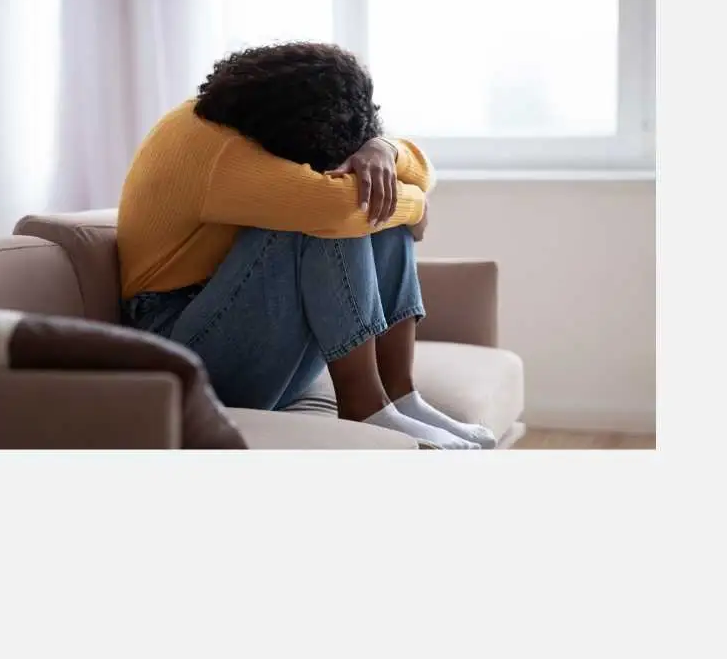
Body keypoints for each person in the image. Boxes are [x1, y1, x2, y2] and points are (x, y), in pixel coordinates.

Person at [118, 42, 496, 449]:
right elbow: (334, 209)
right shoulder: (214, 147)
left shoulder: (248, 120)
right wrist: (417, 206)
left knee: (374, 192)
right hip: (183, 349)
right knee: (334, 212)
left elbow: (421, 170)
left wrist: (382, 149)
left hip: (242, 332)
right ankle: (364, 406)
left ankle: (402, 396)